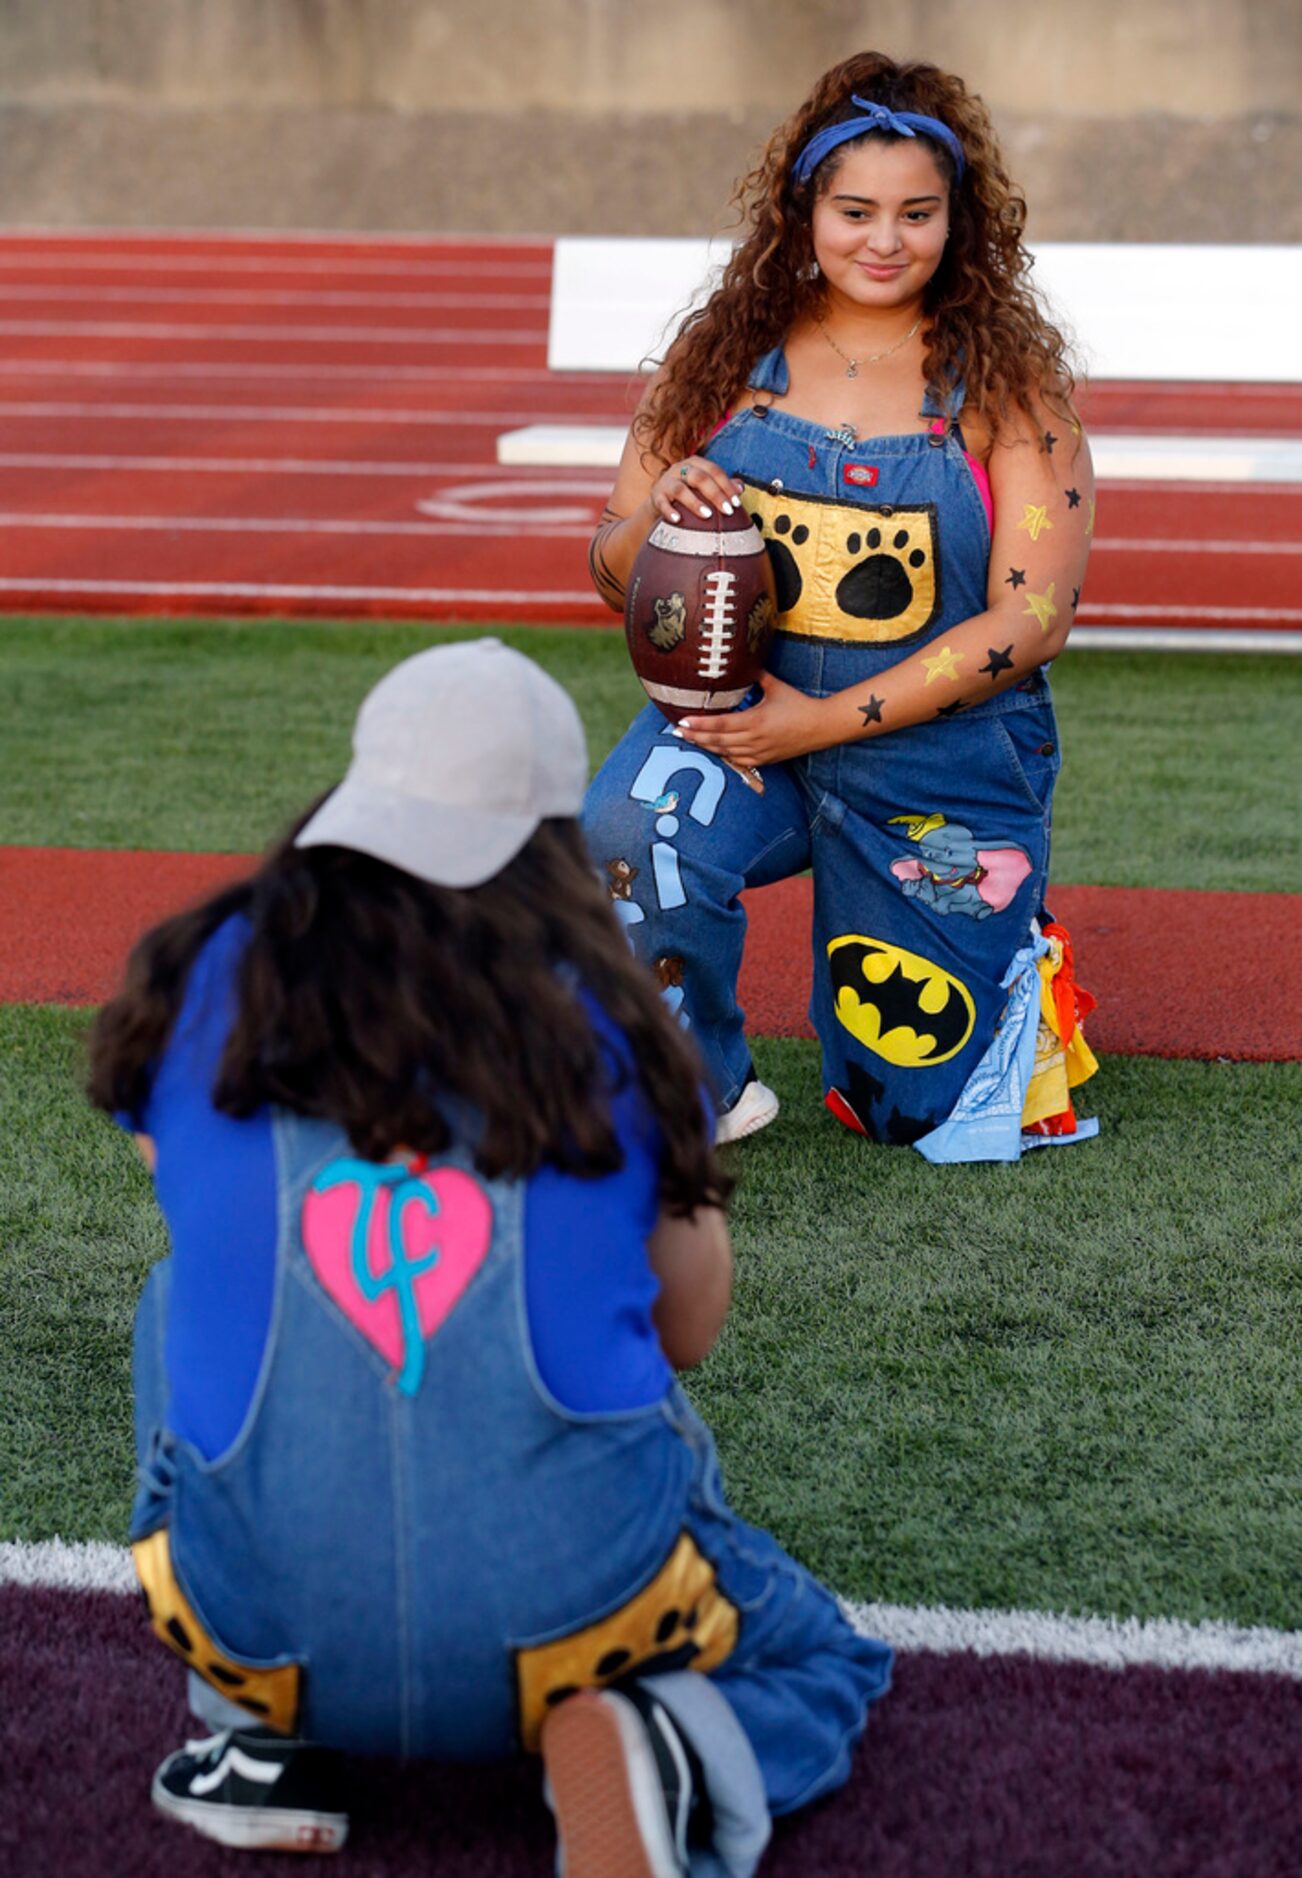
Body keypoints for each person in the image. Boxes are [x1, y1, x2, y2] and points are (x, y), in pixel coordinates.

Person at [87, 638, 891, 1874]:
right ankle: (658, 1747)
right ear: (550, 842)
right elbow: (688, 1327)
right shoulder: (619, 1020)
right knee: (819, 1660)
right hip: (579, 1609)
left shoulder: (207, 979)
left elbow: (186, 1199)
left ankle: (254, 1736)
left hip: (255, 1616)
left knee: (175, 1294)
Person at [584, 51, 1098, 1161]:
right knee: (628, 834)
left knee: (910, 1108)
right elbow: (613, 561)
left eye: (917, 213)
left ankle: (1004, 965)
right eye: (854, 209)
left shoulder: (1010, 386)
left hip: (938, 751)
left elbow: (1031, 621)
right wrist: (659, 516)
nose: (883, 239)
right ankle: (693, 1084)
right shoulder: (719, 359)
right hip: (735, 725)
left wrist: (818, 722)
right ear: (803, 211)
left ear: (958, 222)